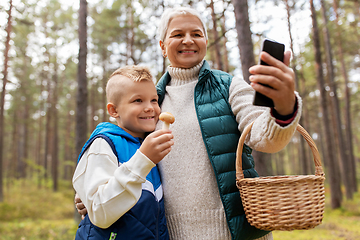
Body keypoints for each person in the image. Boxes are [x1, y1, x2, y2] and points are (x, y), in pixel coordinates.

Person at [76, 6, 302, 240]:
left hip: (236, 232)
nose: (188, 40)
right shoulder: (152, 101)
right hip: (171, 235)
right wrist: (90, 191)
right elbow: (124, 155)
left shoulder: (228, 86)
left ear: (205, 40)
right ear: (162, 46)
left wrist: (284, 106)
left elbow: (266, 139)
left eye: (196, 34)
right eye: (177, 34)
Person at [72, 65, 174, 240]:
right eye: (138, 101)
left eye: (154, 100)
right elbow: (99, 212)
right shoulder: (103, 144)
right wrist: (144, 159)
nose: (150, 107)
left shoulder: (150, 144)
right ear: (113, 110)